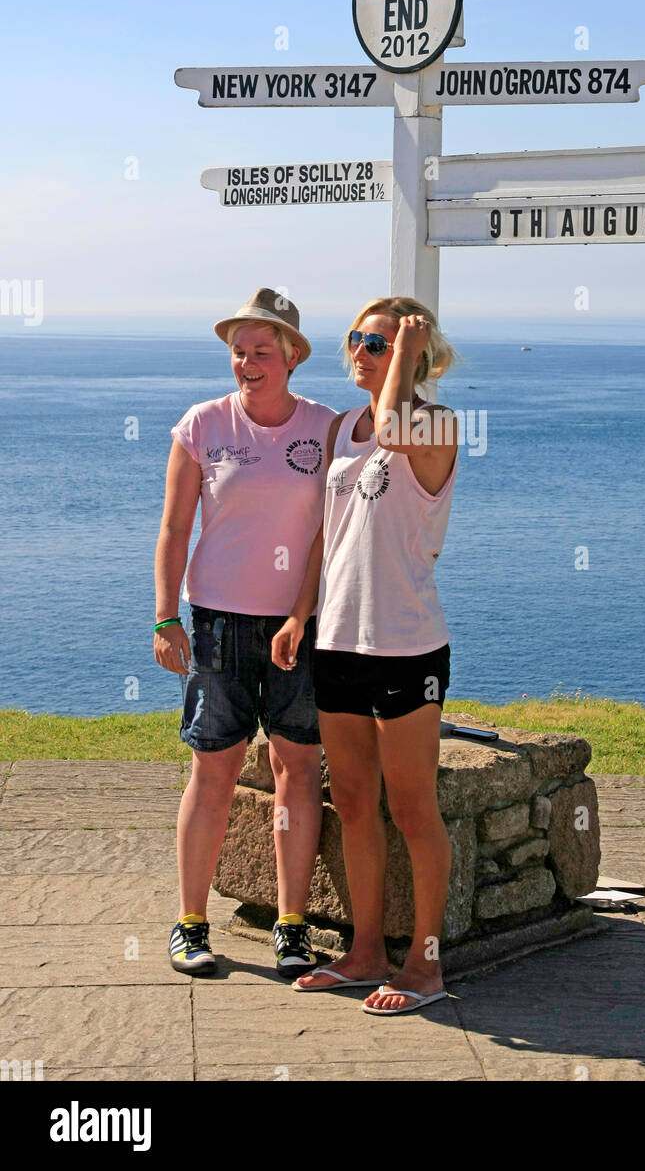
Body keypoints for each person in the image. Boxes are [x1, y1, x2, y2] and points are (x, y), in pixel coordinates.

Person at [271, 296, 459, 1014]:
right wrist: (300, 615)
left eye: (375, 343)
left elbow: (393, 424)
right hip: (339, 641)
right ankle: (367, 950)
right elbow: (330, 530)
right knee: (352, 802)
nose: (357, 350)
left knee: (413, 809)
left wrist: (407, 359)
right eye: (354, 338)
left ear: (415, 353)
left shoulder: (435, 425)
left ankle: (426, 966)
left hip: (406, 644)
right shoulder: (347, 430)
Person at [154, 287, 336, 977]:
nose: (248, 361)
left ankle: (293, 926)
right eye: (239, 350)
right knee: (214, 770)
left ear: (292, 355)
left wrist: (302, 612)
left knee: (296, 769)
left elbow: (333, 529)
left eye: (263, 350)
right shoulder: (202, 425)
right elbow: (174, 528)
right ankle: (191, 923)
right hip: (218, 623)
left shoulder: (325, 427)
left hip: (301, 624)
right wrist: (166, 615)